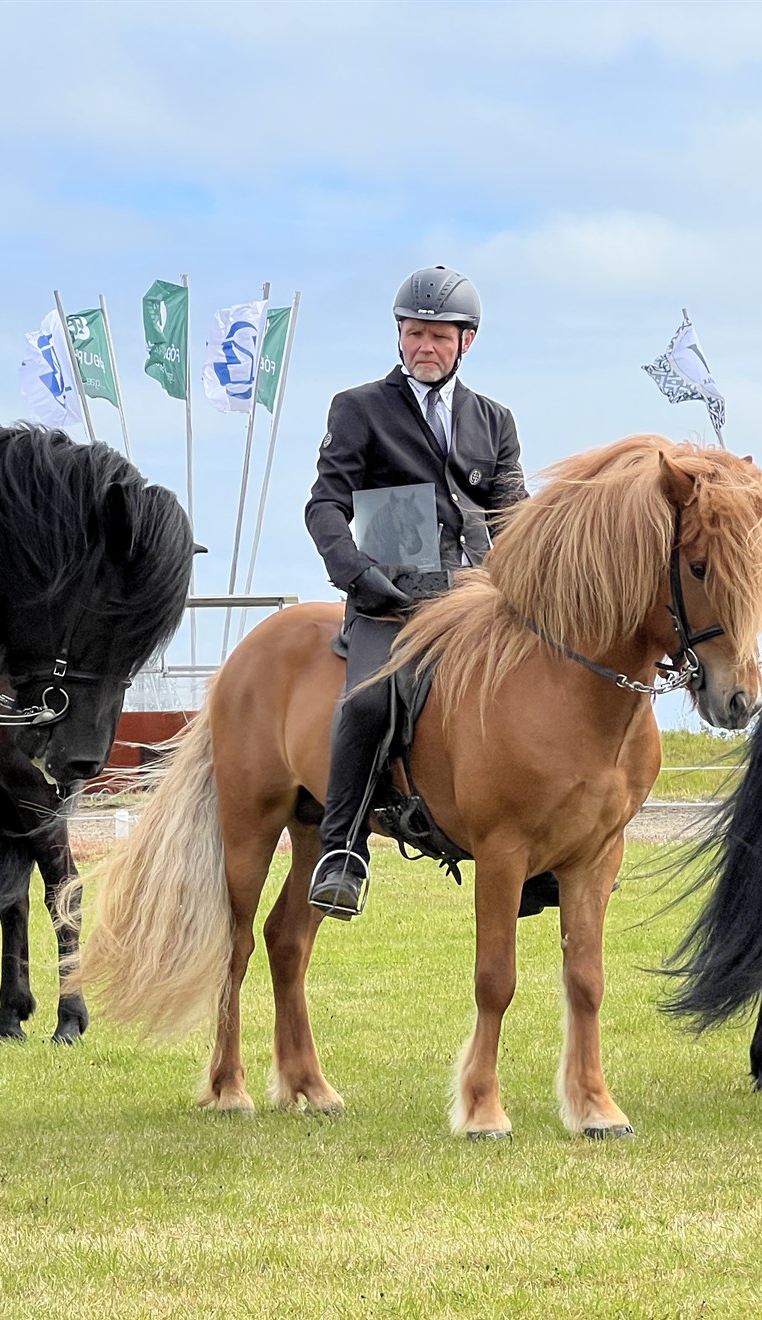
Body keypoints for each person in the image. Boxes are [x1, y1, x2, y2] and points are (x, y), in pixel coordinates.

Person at [303, 265, 528, 920]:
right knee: (371, 702)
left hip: (474, 594)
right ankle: (343, 849)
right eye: (414, 334)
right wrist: (353, 570)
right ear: (399, 335)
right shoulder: (359, 408)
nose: (424, 347)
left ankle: (535, 858)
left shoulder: (494, 421)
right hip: (389, 593)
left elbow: (513, 517)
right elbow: (325, 505)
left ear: (467, 342)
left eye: (438, 337)